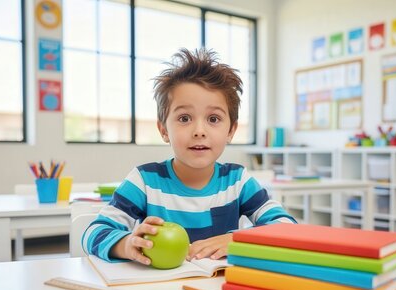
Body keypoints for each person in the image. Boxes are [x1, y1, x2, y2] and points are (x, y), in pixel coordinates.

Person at [83, 48, 296, 264]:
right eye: (184, 118)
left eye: (213, 119)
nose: (199, 131)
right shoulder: (145, 181)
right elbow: (93, 232)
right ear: (164, 130)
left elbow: (286, 227)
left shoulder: (238, 180)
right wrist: (126, 245)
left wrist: (236, 240)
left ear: (230, 131)